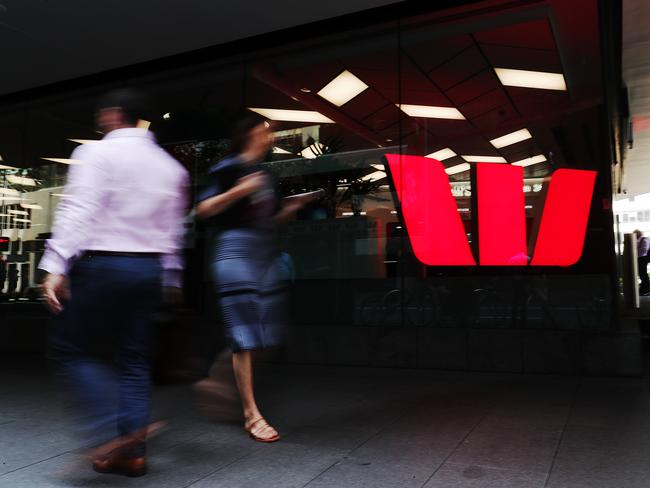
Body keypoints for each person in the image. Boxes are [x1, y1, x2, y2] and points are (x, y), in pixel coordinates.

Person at [39, 88, 189, 477]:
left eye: (104, 114)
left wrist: (56, 264)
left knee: (73, 349)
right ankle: (133, 452)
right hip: (148, 270)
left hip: (103, 264)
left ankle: (110, 431)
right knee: (135, 359)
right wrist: (171, 277)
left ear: (115, 115)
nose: (101, 120)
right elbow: (173, 231)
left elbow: (80, 209)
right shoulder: (171, 168)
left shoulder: (95, 153)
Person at [195, 114, 313, 443]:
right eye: (265, 133)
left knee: (267, 333)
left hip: (263, 255)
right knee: (246, 334)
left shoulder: (265, 175)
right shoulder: (226, 169)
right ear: (248, 134)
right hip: (234, 253)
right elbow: (203, 210)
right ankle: (251, 414)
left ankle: (217, 379)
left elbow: (270, 219)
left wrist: (289, 209)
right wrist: (239, 191)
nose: (269, 138)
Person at [635, 229, 650, 295]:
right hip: (641, 258)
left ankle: (646, 289)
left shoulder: (644, 240)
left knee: (643, 273)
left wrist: (635, 252)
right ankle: (644, 288)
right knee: (642, 273)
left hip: (643, 258)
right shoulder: (640, 240)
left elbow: (644, 251)